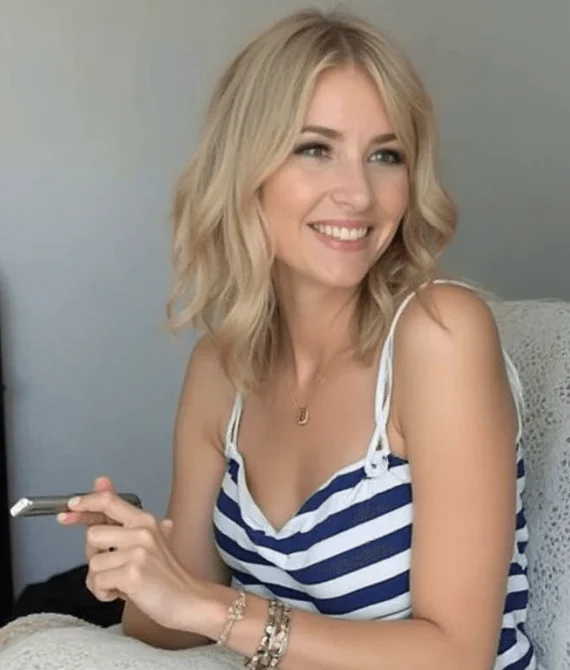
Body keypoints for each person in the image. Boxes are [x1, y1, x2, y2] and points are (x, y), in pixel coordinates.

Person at [58, 9, 535, 669]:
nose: (359, 194)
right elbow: (165, 634)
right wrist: (140, 566)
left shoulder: (440, 336)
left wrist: (206, 606)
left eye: (385, 156)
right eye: (315, 148)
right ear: (247, 169)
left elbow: (456, 654)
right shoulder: (219, 369)